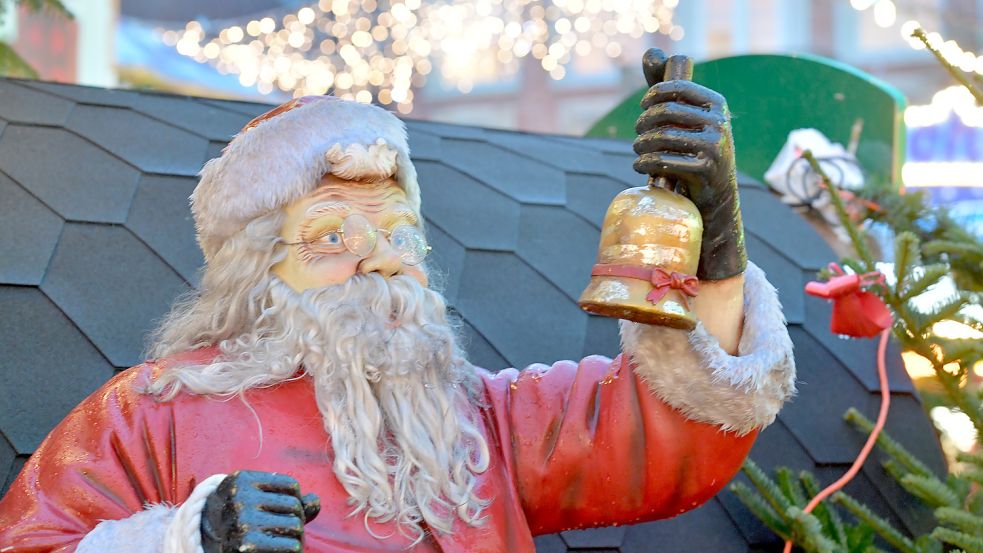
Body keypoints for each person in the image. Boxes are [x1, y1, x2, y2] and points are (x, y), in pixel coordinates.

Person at [0, 52, 795, 553]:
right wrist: (182, 540)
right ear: (256, 268)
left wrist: (714, 242)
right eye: (335, 235)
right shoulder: (153, 412)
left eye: (399, 234)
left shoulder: (478, 418)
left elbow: (663, 431)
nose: (383, 256)